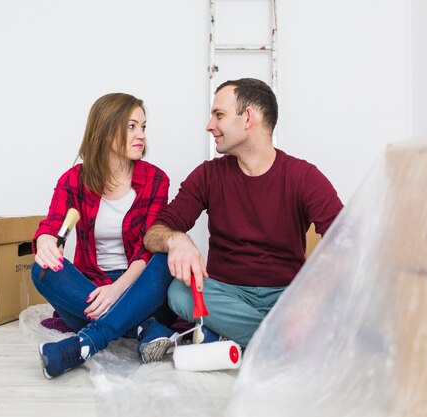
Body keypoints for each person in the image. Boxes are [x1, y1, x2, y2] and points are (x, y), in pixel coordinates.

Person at [143, 78, 344, 352]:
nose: (209, 125)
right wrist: (176, 240)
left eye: (219, 115)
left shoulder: (303, 177)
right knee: (179, 292)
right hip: (226, 293)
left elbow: (347, 242)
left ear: (248, 117)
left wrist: (311, 297)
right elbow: (155, 232)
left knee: (339, 300)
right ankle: (278, 346)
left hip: (285, 296)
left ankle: (239, 334)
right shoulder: (208, 175)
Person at [32, 93, 178, 379]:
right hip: (91, 290)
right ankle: (141, 328)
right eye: (131, 126)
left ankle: (86, 343)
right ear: (106, 129)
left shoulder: (156, 179)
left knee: (162, 257)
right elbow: (52, 225)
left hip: (140, 286)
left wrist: (117, 290)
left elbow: (146, 249)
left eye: (143, 127)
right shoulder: (73, 180)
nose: (141, 135)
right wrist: (45, 242)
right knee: (41, 269)